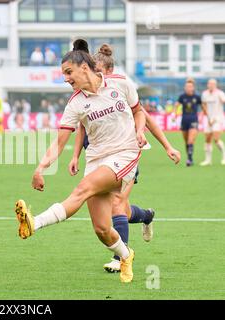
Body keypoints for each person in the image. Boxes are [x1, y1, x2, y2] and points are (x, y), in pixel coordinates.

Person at [15, 39, 148, 283]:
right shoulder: (75, 104)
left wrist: (140, 131)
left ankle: (35, 223)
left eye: (68, 72)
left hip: (125, 154)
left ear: (84, 68)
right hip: (97, 159)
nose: (65, 78)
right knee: (101, 229)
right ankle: (126, 254)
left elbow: (139, 111)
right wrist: (41, 167)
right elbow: (59, 143)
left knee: (83, 189)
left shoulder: (120, 83)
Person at [68, 43, 181, 273]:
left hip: (125, 155)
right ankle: (147, 215)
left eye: (97, 69)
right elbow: (80, 127)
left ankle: (121, 258)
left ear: (107, 71)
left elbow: (146, 119)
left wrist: (168, 146)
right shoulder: (87, 95)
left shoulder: (120, 89)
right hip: (99, 157)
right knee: (124, 211)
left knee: (117, 206)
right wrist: (75, 156)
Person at [174, 78, 202, 166]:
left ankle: (189, 160)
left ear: (193, 88)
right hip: (184, 120)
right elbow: (176, 105)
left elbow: (204, 108)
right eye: (186, 87)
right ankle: (190, 157)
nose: (188, 88)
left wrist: (201, 116)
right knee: (186, 142)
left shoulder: (197, 97)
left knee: (190, 141)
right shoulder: (182, 96)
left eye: (190, 86)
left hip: (194, 120)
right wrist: (175, 114)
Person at [200, 78, 225, 166]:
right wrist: (203, 115)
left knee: (216, 139)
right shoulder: (205, 94)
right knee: (207, 139)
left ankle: (224, 157)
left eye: (212, 84)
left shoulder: (220, 93)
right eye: (209, 84)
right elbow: (204, 105)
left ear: (215, 85)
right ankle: (208, 160)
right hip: (208, 119)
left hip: (218, 119)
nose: (210, 85)